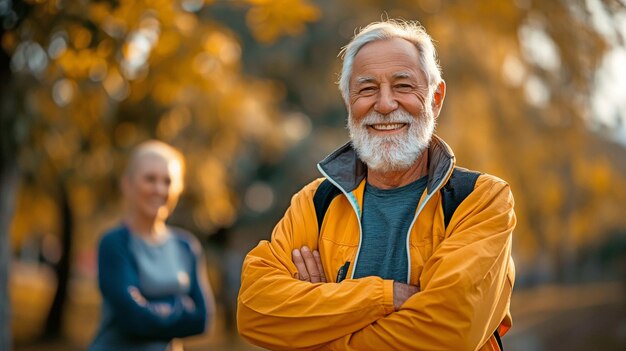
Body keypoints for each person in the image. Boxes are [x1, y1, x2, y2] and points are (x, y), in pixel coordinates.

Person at [237, 19, 515, 351]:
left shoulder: (481, 200)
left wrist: (319, 321)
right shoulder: (314, 203)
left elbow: (447, 331)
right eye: (367, 89)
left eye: (403, 86)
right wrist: (383, 297)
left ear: (435, 98)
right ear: (348, 103)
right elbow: (254, 310)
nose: (384, 105)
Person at [90, 140, 215, 351]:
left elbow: (202, 319)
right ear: (127, 184)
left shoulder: (186, 246)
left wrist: (150, 308)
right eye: (150, 179)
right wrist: (179, 307)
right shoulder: (114, 244)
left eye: (167, 181)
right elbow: (133, 320)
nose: (159, 189)